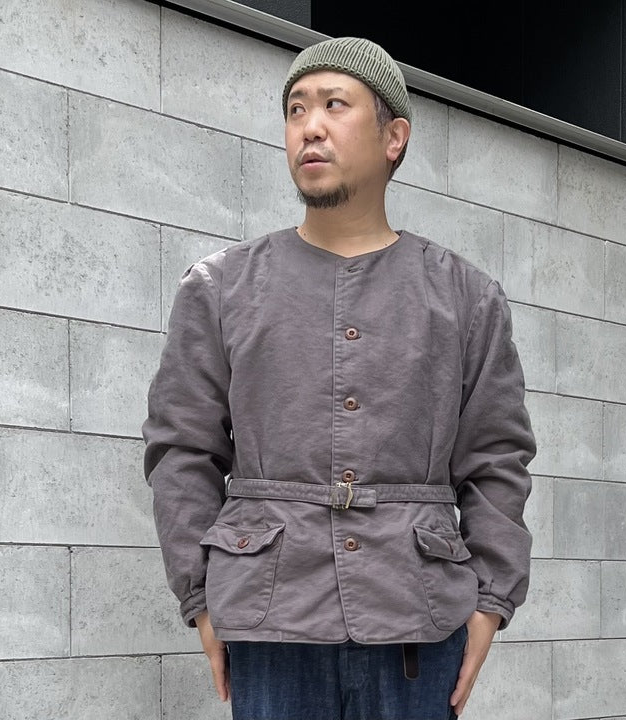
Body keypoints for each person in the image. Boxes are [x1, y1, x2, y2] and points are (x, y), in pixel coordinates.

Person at [142, 36, 536, 720]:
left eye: (333, 104)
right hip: (270, 618)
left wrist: (490, 602)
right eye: (295, 109)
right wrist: (199, 596)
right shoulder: (220, 289)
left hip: (418, 617)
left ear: (394, 137)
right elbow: (181, 448)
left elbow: (496, 457)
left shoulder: (467, 298)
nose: (310, 126)